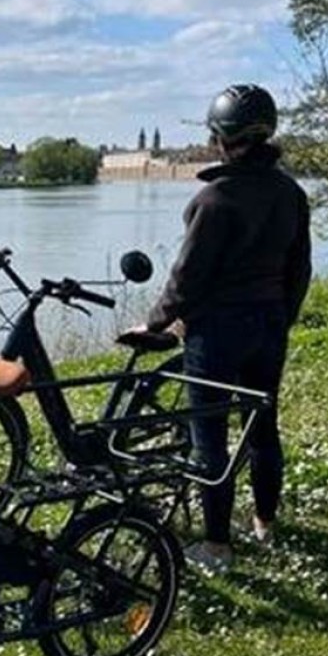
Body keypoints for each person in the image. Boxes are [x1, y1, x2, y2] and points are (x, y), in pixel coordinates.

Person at [134, 84, 312, 574]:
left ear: (220, 137)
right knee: (262, 427)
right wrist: (282, 316)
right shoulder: (291, 193)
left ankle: (216, 545)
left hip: (215, 333)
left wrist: (155, 323)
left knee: (208, 437)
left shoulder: (214, 200)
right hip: (269, 324)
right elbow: (300, 270)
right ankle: (264, 522)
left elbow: (186, 278)